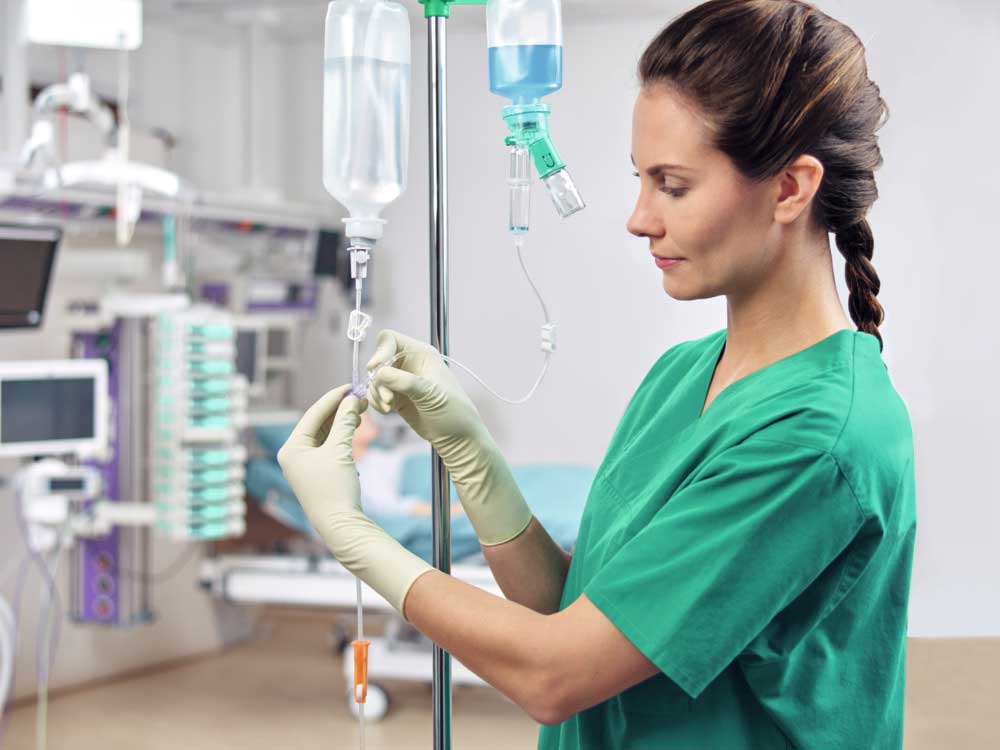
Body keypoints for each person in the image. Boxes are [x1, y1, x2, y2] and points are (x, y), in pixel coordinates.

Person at [277, 1, 916, 747]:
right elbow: (570, 609)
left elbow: (557, 674)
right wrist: (472, 455)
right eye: (640, 181)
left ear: (789, 188)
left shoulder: (817, 439)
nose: (639, 218)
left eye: (672, 185)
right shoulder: (684, 374)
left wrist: (350, 533)